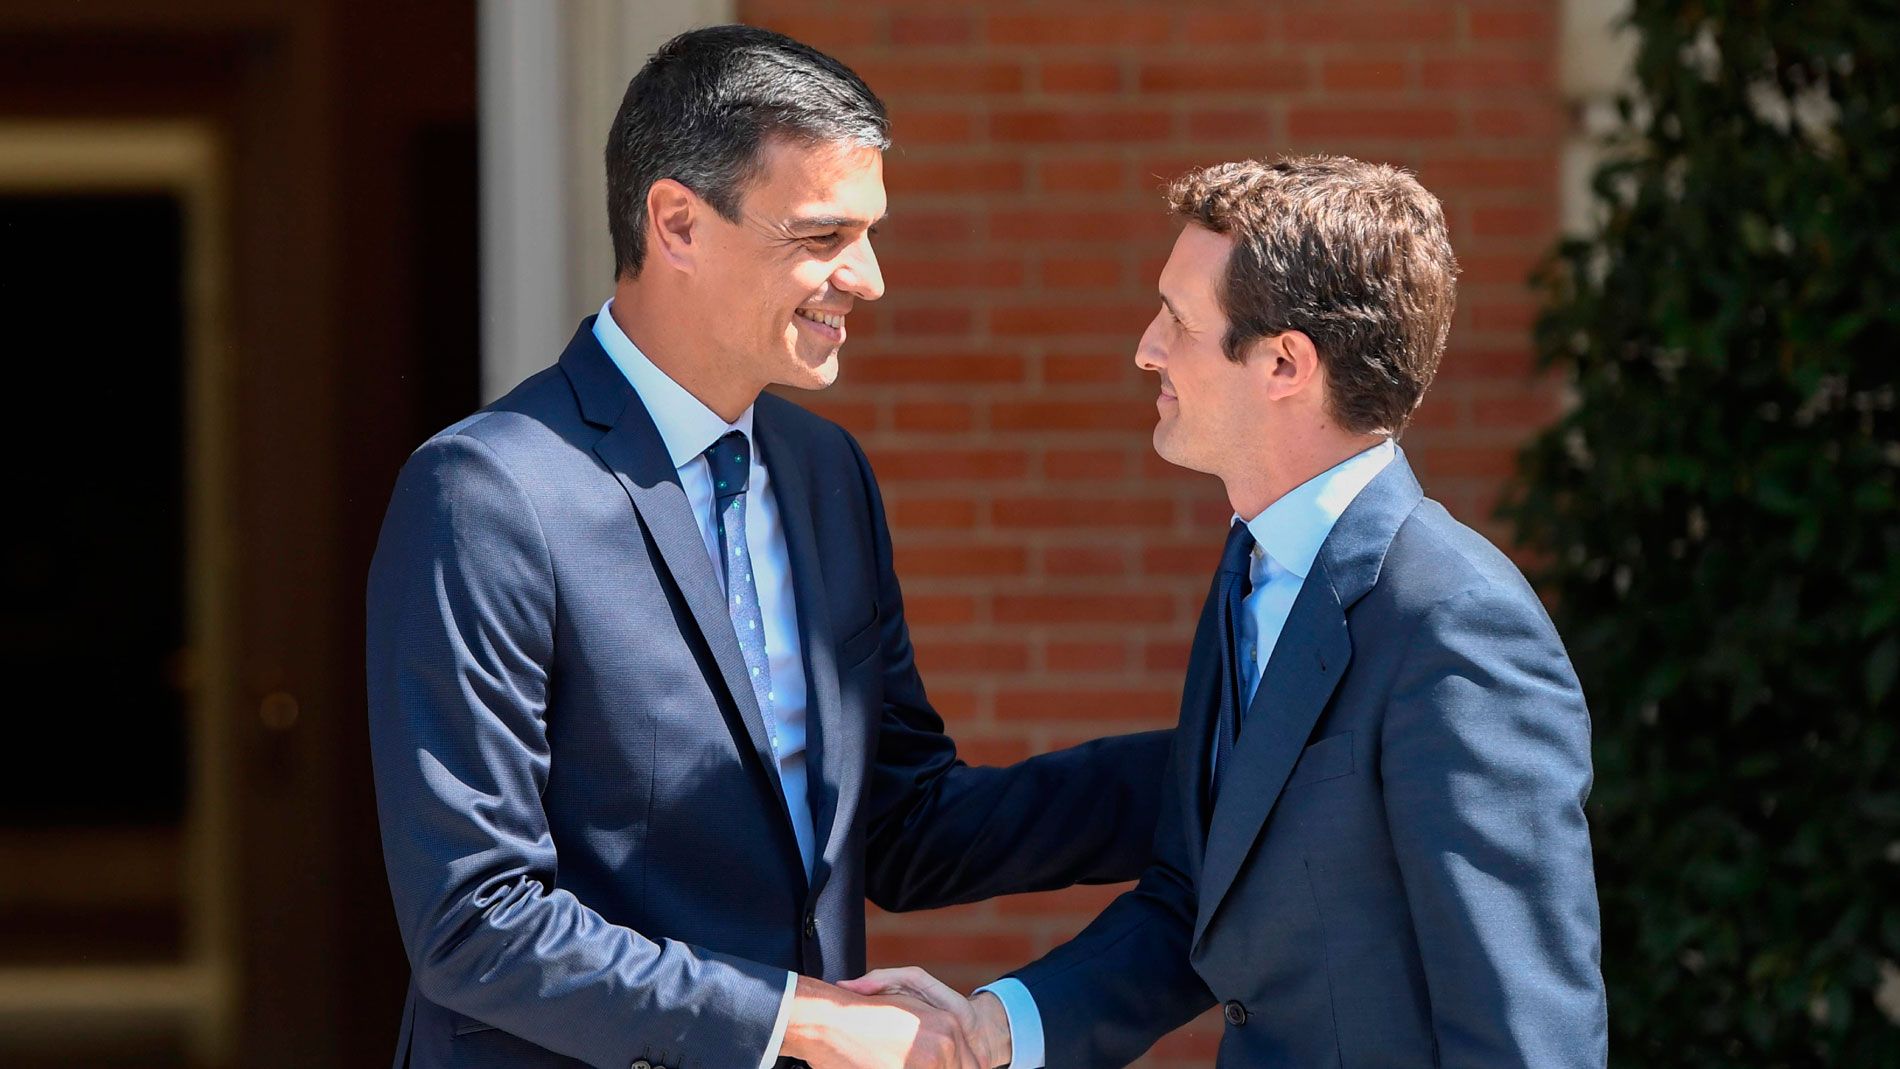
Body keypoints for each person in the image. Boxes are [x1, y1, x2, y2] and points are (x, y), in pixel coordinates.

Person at [365, 25, 1169, 1069]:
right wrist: (804, 1017)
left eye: (869, 233)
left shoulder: (825, 475)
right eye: (822, 236)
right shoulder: (489, 492)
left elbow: (904, 824)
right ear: (677, 223)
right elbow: (474, 920)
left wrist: (1217, 762)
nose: (868, 278)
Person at [846, 156, 1609, 1067]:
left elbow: (1527, 1033)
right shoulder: (1253, 564)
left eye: (1178, 320)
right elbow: (1194, 892)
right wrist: (993, 1026)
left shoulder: (1459, 624)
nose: (1147, 347)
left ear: (1284, 362)